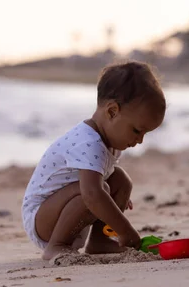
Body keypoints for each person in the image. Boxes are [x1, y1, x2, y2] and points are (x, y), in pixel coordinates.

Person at [21, 61, 166, 260]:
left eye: (145, 134)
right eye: (136, 130)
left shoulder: (110, 142)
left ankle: (99, 241)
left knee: (120, 179)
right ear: (112, 112)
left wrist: (118, 196)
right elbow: (91, 194)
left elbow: (101, 184)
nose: (139, 140)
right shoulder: (88, 142)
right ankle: (56, 246)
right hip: (42, 219)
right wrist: (125, 230)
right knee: (97, 191)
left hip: (67, 208)